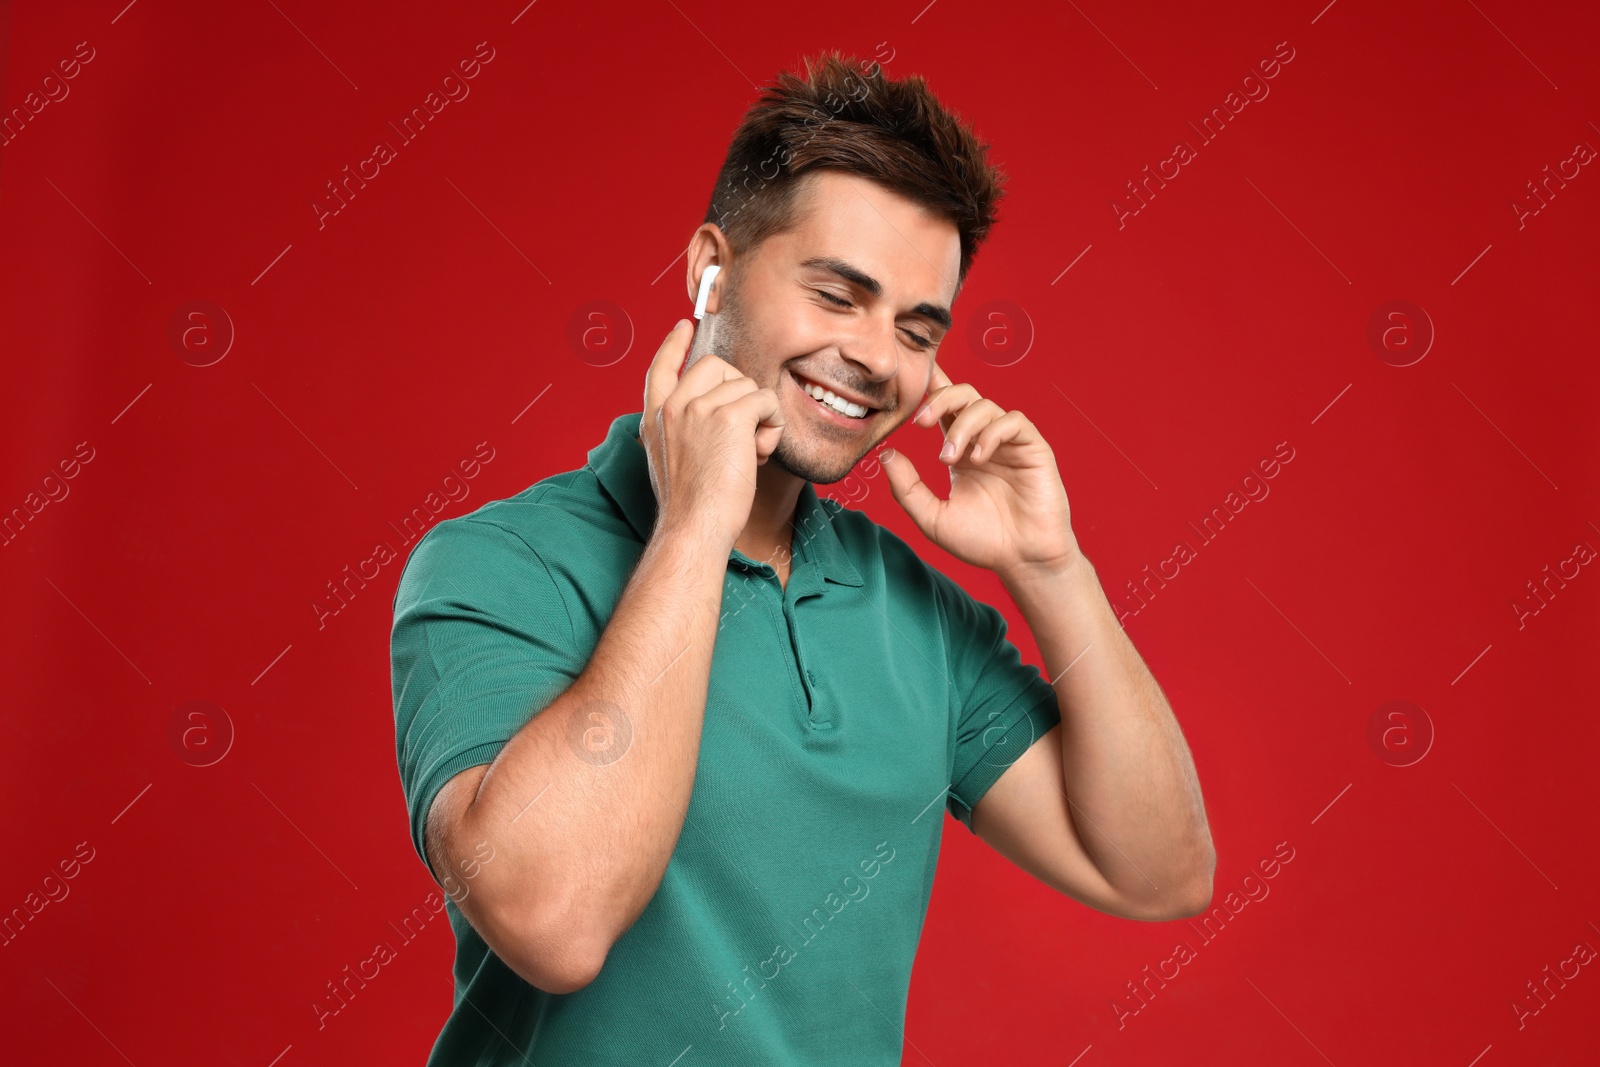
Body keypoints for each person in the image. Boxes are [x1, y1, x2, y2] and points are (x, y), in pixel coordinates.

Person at [390, 50, 1214, 1065]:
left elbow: (1157, 871)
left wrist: (1050, 566)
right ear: (710, 270)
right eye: (837, 295)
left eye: (917, 327)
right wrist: (696, 523)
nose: (876, 356)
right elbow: (552, 922)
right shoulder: (499, 564)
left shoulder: (914, 614)